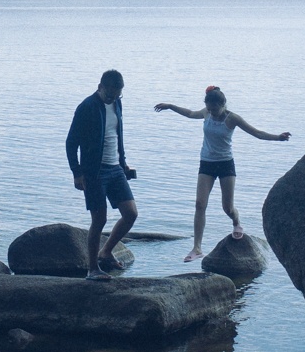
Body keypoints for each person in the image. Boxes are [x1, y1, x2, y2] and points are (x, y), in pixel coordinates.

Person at [154, 86, 290, 263]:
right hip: (207, 163)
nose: (212, 113)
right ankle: (197, 248)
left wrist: (277, 137)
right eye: (209, 109)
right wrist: (170, 106)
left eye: (215, 109)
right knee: (199, 204)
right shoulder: (206, 113)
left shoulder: (232, 118)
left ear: (223, 104)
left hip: (226, 164)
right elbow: (189, 113)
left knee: (227, 207)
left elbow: (256, 133)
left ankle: (236, 221)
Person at [66, 70, 138, 280]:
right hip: (94, 172)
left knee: (131, 213)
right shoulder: (86, 107)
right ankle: (92, 269)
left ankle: (105, 252)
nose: (113, 98)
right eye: (110, 95)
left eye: (117, 95)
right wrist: (77, 173)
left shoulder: (117, 103)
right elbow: (71, 143)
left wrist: (123, 162)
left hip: (115, 168)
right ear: (101, 86)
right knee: (100, 219)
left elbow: (117, 135)